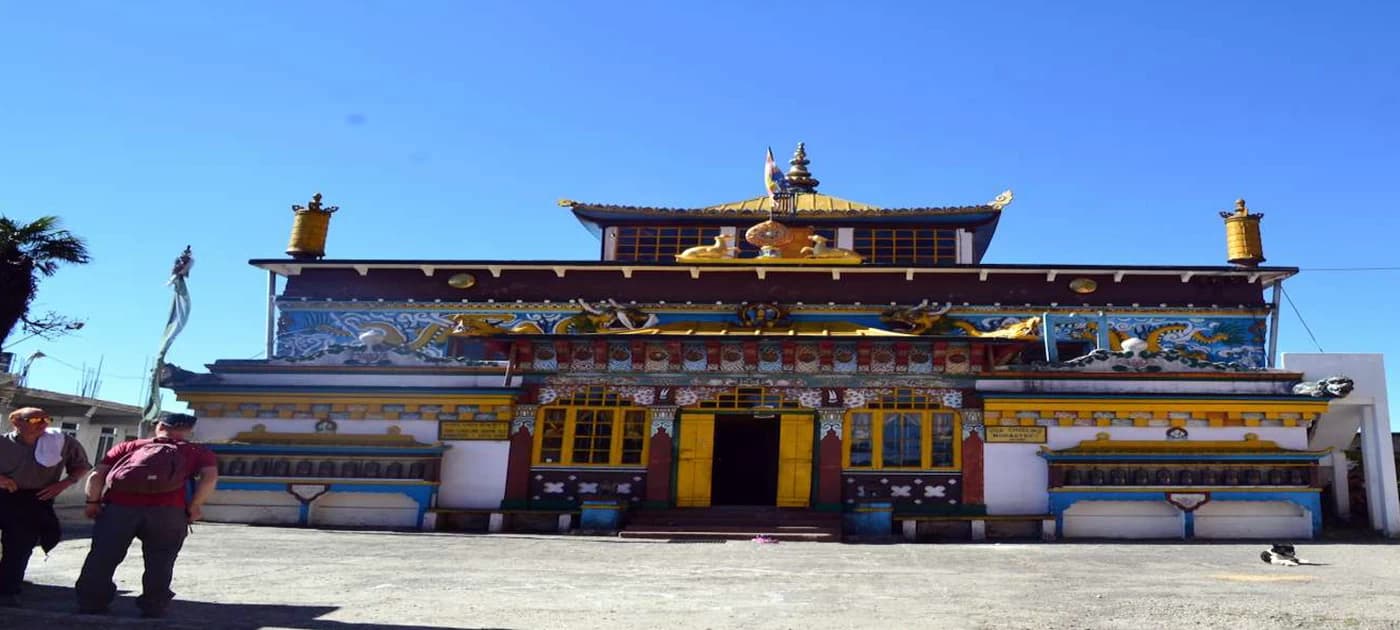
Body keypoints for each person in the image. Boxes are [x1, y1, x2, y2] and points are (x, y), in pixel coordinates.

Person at [75, 413, 218, 618]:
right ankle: (154, 606)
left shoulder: (129, 447)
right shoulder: (197, 452)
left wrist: (92, 502)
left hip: (119, 509)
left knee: (102, 557)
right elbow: (210, 478)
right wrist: (195, 505)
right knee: (160, 561)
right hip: (168, 512)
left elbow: (97, 475)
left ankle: (91, 602)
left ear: (159, 426)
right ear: (188, 430)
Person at [0, 407, 92, 607]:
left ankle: (8, 591)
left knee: (19, 547)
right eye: (34, 420)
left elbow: (82, 466)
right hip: (2, 495)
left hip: (33, 499)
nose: (42, 424)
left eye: (46, 419)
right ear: (16, 422)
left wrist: (64, 483)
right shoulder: (3, 442)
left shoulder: (60, 442)